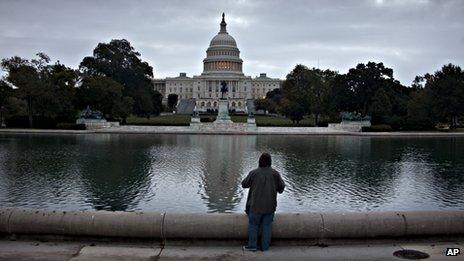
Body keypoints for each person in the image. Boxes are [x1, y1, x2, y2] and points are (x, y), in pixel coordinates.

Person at [241, 153, 285, 251]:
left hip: (255, 206)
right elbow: (281, 188)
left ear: (259, 161)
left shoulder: (254, 173)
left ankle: (252, 246)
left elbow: (244, 184)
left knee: (253, 225)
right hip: (270, 207)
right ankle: (265, 247)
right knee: (267, 226)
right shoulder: (275, 174)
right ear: (270, 162)